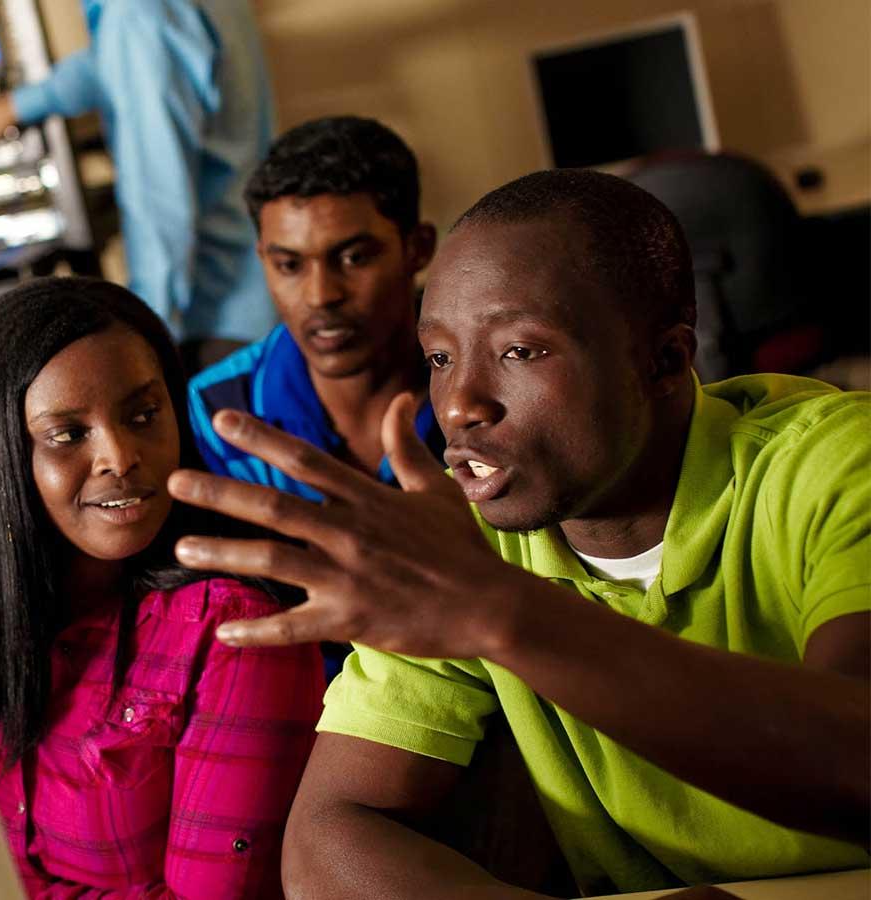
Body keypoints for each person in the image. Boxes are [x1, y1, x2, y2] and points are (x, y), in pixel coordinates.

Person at [163, 170, 871, 896]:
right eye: (439, 357)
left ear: (664, 360)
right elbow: (325, 845)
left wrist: (502, 613)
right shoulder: (465, 540)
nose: (461, 404)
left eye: (520, 350)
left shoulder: (835, 462)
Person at [0, 277, 324, 896]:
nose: (120, 456)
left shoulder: (239, 630)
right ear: (1, 451)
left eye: (144, 415)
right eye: (67, 434)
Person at [0, 0, 278, 369]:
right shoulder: (143, 19)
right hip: (247, 295)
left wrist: (143, 338)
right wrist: (21, 104)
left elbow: (161, 203)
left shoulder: (137, 15)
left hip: (210, 321)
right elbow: (117, 64)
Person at [191, 116, 444, 501]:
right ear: (263, 260)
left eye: (354, 258)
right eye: (289, 265)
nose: (320, 295)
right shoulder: (219, 409)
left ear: (418, 248)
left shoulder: (481, 392)